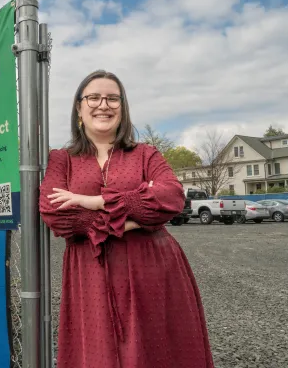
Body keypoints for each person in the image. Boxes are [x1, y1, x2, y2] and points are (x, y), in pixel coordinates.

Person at [39, 70, 214, 368]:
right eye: (93, 97)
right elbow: (55, 212)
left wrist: (96, 202)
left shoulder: (145, 154)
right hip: (90, 273)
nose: (103, 105)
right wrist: (137, 219)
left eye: (112, 98)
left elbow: (171, 197)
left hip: (152, 268)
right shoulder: (62, 159)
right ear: (79, 108)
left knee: (158, 351)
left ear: (123, 107)